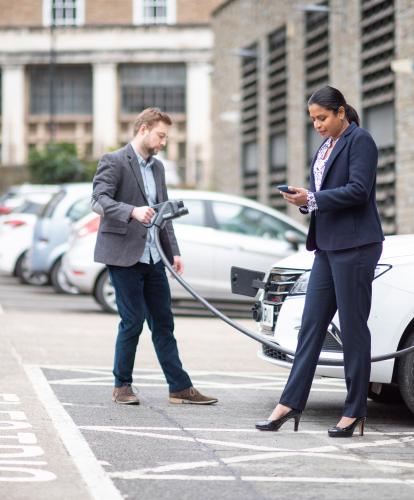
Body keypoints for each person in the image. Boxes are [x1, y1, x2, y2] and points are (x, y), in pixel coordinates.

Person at [255, 86, 384, 437]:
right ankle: (290, 403)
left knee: (353, 330)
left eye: (322, 118)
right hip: (327, 247)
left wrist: (312, 198)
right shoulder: (325, 147)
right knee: (311, 327)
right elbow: (322, 197)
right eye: (313, 119)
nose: (317, 125)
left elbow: (359, 190)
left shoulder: (361, 141)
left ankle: (355, 411)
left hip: (356, 246)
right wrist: (304, 200)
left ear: (341, 112)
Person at [92, 107, 217, 406]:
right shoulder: (114, 161)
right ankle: (121, 385)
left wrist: (173, 251)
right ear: (144, 129)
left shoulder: (158, 168)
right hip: (124, 256)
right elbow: (98, 200)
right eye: (161, 135)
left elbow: (164, 212)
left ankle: (179, 388)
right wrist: (131, 211)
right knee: (132, 322)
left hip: (153, 257)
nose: (163, 142)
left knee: (164, 323)